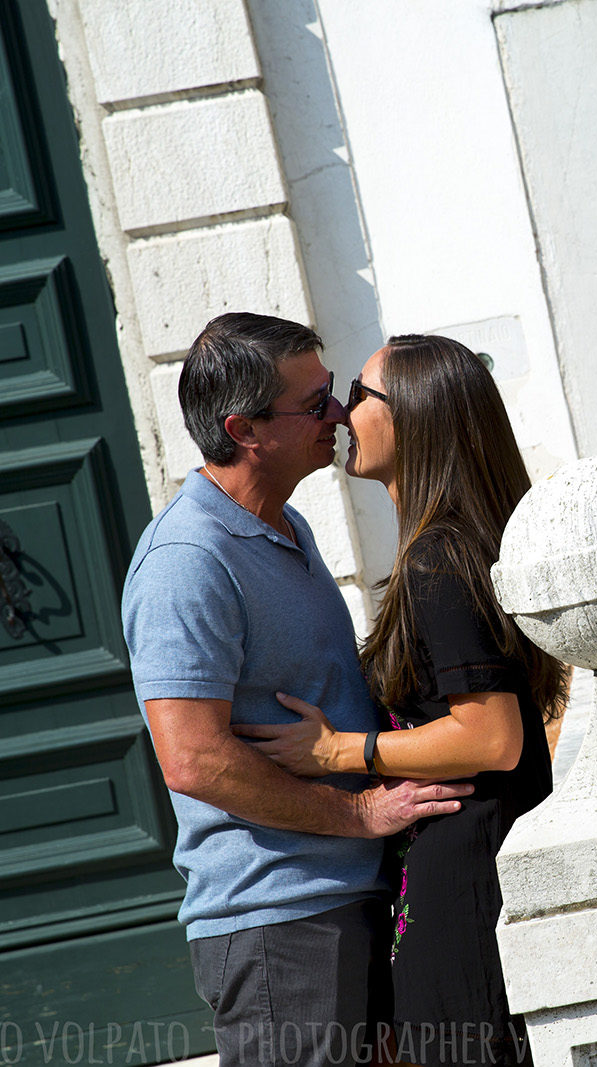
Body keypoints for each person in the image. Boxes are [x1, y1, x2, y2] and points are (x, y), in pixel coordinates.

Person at [121, 313, 473, 1067]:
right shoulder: (185, 561)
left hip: (343, 905)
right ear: (244, 428)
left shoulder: (289, 526)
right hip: (280, 925)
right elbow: (192, 760)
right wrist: (362, 811)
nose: (339, 414)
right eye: (314, 404)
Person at [236, 335, 567, 1067]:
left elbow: (491, 736)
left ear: (415, 416)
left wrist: (341, 751)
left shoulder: (437, 558)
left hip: (464, 883)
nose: (343, 411)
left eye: (361, 392)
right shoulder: (452, 544)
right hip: (466, 868)